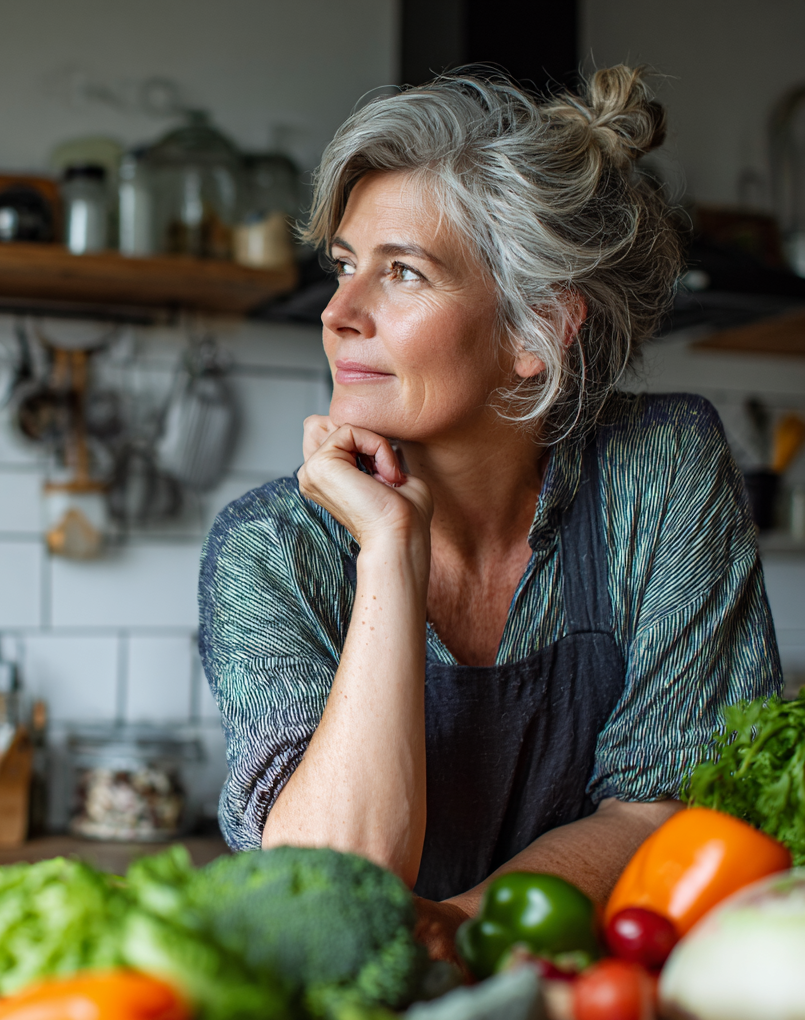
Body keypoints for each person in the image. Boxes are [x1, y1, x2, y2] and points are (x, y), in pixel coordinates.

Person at [198, 66, 781, 961]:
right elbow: (333, 883)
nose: (337, 313)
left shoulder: (660, 471)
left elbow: (663, 805)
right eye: (346, 266)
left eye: (402, 272)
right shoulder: (269, 550)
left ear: (533, 335)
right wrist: (390, 549)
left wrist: (462, 930)